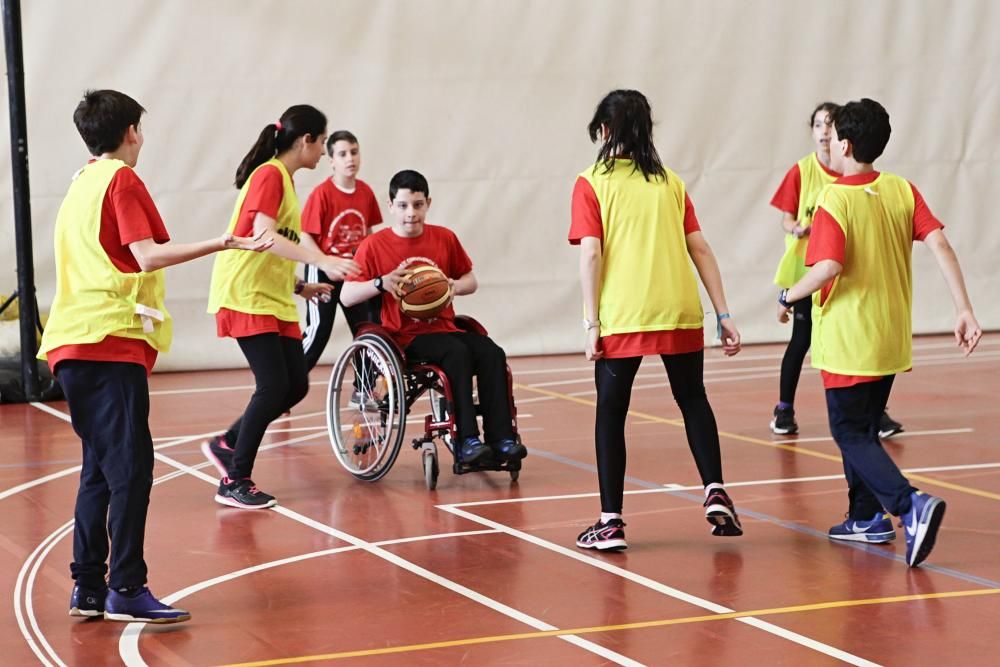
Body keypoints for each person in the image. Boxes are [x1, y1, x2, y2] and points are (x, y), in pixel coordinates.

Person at [38, 89, 271, 623]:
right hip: (107, 343)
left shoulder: (79, 184)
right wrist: (223, 242)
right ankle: (125, 585)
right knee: (132, 469)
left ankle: (89, 587)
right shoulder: (120, 180)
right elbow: (145, 256)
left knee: (99, 469)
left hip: (74, 345)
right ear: (131, 132)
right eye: (140, 127)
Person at [776, 98, 982, 566]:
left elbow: (828, 265)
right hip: (890, 336)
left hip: (849, 337)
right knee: (865, 430)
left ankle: (910, 505)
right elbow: (941, 243)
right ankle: (865, 518)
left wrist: (788, 296)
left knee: (848, 431)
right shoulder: (902, 190)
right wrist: (964, 308)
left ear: (844, 145)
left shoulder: (835, 198)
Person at [569, 89, 744, 551]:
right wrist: (723, 314)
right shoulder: (670, 183)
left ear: (604, 131)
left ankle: (610, 521)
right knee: (692, 400)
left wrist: (592, 324)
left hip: (624, 315)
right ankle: (715, 489)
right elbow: (700, 248)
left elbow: (591, 254)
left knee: (611, 413)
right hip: (680, 307)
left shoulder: (591, 182)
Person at [203, 105, 359, 509]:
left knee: (295, 384)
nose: (324, 151)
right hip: (245, 294)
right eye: (323, 142)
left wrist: (298, 285)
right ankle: (234, 480)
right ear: (305, 140)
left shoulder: (285, 181)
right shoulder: (270, 174)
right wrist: (322, 261)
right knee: (273, 385)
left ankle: (227, 443)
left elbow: (268, 246)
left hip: (272, 295)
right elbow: (262, 236)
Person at [340, 169, 528, 466]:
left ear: (428, 202)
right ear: (391, 206)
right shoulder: (375, 246)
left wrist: (453, 286)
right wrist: (380, 283)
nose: (410, 213)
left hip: (446, 328)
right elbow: (346, 295)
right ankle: (466, 440)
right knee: (457, 353)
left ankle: (501, 439)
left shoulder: (444, 238)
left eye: (417, 205)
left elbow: (471, 281)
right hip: (404, 338)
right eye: (402, 206)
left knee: (492, 352)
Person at [769, 102, 904, 438]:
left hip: (845, 275)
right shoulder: (803, 171)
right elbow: (786, 218)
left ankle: (876, 412)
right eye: (818, 125)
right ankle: (784, 408)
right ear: (812, 131)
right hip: (807, 271)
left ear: (844, 138)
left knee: (862, 341)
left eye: (830, 124)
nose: (825, 131)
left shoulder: (860, 181)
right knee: (801, 341)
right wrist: (796, 228)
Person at [301, 131, 383, 372]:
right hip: (323, 271)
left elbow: (367, 233)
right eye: (343, 154)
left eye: (354, 152)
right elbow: (305, 236)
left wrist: (368, 267)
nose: (350, 159)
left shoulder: (365, 192)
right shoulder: (322, 193)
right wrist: (325, 262)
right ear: (331, 160)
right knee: (319, 331)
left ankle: (363, 388)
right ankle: (287, 388)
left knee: (367, 329)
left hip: (353, 273)